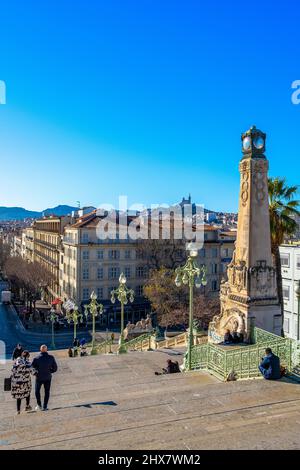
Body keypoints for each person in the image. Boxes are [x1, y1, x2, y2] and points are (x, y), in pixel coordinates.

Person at [31, 345, 58, 411]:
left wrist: (35, 373)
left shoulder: (36, 358)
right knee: (47, 392)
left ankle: (39, 405)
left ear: (40, 350)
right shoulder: (51, 357)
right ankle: (45, 406)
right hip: (48, 377)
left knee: (37, 391)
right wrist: (50, 371)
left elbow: (31, 368)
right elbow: (55, 368)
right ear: (46, 350)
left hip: (39, 377)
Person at [11, 350, 32, 415]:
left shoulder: (17, 361)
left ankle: (18, 411)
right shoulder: (28, 363)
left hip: (17, 383)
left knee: (18, 396)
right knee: (27, 393)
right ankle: (27, 406)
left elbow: (12, 369)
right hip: (25, 383)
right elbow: (33, 372)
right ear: (28, 356)